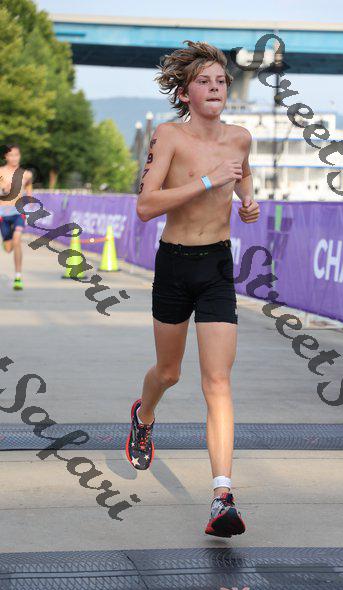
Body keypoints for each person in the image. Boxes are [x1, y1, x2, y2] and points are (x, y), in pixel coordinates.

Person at [125, 40, 260, 538]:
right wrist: (206, 181)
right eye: (204, 82)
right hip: (175, 265)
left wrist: (247, 202)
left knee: (217, 381)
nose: (215, 88)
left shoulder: (241, 138)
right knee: (169, 371)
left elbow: (244, 176)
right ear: (185, 93)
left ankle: (222, 495)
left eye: (221, 81)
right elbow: (145, 206)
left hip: (217, 265)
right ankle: (144, 414)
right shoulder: (169, 136)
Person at [0, 144, 32, 290]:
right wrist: (3, 190)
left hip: (19, 212)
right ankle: (7, 241)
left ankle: (18, 276)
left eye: (16, 155)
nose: (14, 158)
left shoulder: (26, 174)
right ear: (5, 156)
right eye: (11, 155)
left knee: (17, 240)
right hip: (3, 213)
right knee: (8, 248)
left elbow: (29, 191)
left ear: (20, 156)